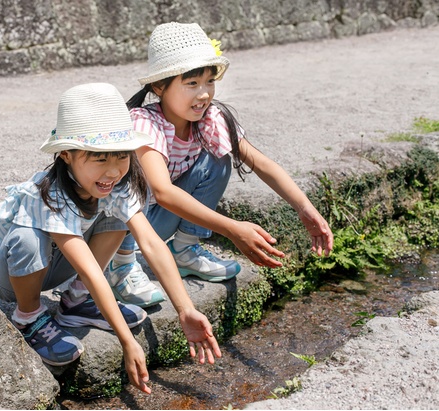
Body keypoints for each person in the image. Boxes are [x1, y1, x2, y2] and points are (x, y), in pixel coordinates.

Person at [0, 82, 221, 394]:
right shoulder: (49, 194)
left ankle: (76, 301)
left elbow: (151, 242)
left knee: (118, 216)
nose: (113, 170)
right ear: (65, 154)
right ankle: (29, 316)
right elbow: (90, 269)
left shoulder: (120, 184)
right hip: (10, 278)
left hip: (57, 266)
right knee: (26, 237)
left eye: (120, 156)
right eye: (99, 158)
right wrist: (126, 340)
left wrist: (185, 308)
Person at [106, 22, 334, 307]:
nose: (203, 93)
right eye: (191, 83)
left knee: (218, 158)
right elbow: (162, 192)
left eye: (209, 82)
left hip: (156, 223)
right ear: (159, 87)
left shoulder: (210, 120)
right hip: (121, 229)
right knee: (125, 188)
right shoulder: (144, 123)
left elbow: (260, 163)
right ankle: (121, 266)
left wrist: (305, 208)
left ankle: (185, 250)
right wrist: (231, 228)